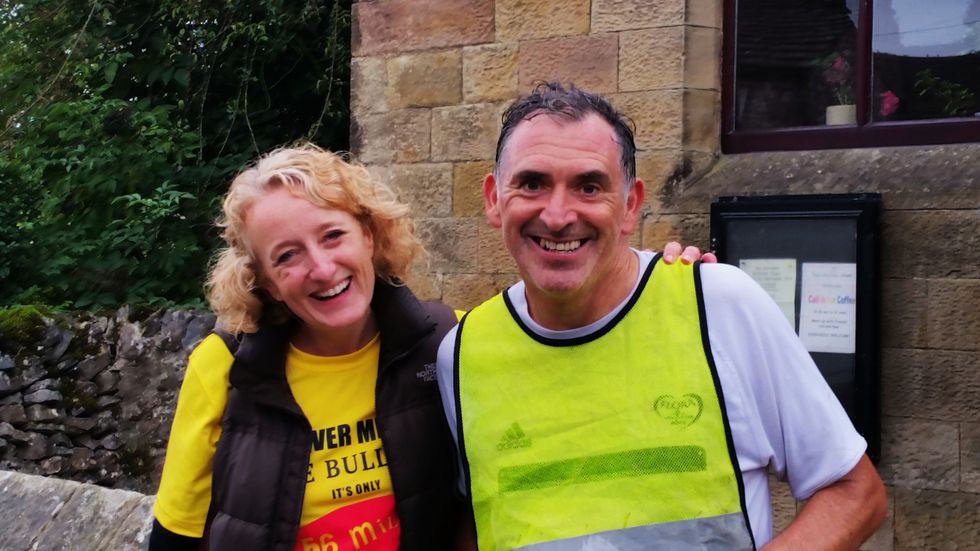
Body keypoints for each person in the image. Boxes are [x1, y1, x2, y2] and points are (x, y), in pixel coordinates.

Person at [148, 142, 711, 550]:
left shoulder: (454, 344)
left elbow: (579, 353)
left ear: (370, 236)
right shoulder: (226, 369)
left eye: (333, 235)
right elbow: (175, 540)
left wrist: (660, 287)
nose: (321, 268)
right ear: (265, 280)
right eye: (287, 256)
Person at [436, 83, 887, 550]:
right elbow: (482, 521)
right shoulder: (462, 354)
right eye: (532, 183)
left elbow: (855, 492)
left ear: (630, 205)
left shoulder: (718, 304)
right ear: (493, 199)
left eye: (589, 186)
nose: (557, 215)